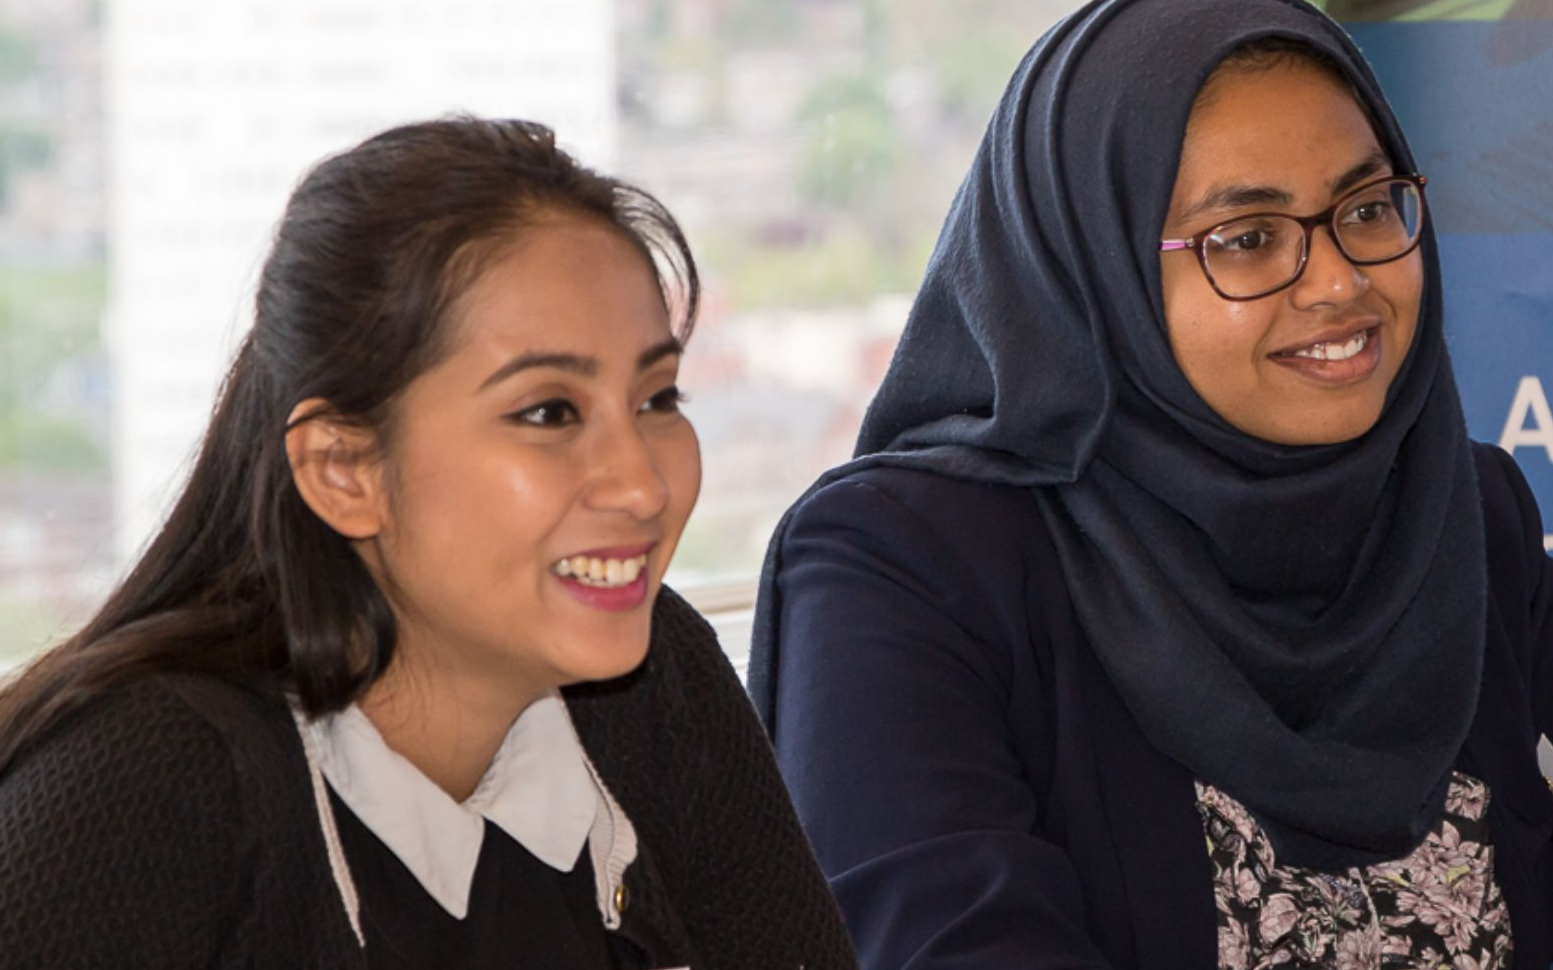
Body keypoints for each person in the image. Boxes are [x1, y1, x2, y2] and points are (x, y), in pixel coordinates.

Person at [748, 1, 1553, 967]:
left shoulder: (1465, 513)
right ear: (1096, 270)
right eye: (1247, 237)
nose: (1339, 281)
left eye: (1368, 207)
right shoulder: (900, 569)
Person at [0, 117, 858, 970]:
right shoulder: (148, 787)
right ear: (343, 471)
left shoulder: (656, 685)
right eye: (548, 413)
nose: (642, 484)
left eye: (658, 399)